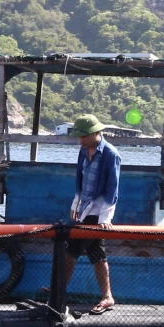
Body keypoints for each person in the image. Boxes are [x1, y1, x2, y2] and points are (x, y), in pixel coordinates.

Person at [58, 113, 119, 314]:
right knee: (97, 254)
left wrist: (105, 218)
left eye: (84, 136)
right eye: (79, 136)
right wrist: (76, 204)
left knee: (71, 250)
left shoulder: (111, 154)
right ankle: (107, 297)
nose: (81, 140)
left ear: (96, 133)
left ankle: (59, 290)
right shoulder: (83, 151)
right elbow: (80, 180)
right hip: (84, 210)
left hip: (97, 213)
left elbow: (112, 189)